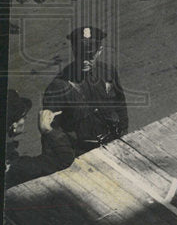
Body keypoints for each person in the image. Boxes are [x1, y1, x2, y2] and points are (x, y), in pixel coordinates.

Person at [42, 26, 129, 155]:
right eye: (80, 54)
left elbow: (120, 103)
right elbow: (50, 129)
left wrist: (123, 130)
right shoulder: (58, 86)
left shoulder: (108, 72)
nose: (84, 60)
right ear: (73, 50)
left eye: (89, 55)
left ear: (99, 51)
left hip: (113, 142)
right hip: (82, 153)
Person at [5, 90, 74, 189]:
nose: (27, 117)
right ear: (13, 125)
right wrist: (47, 131)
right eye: (23, 116)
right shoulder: (14, 165)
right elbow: (63, 159)